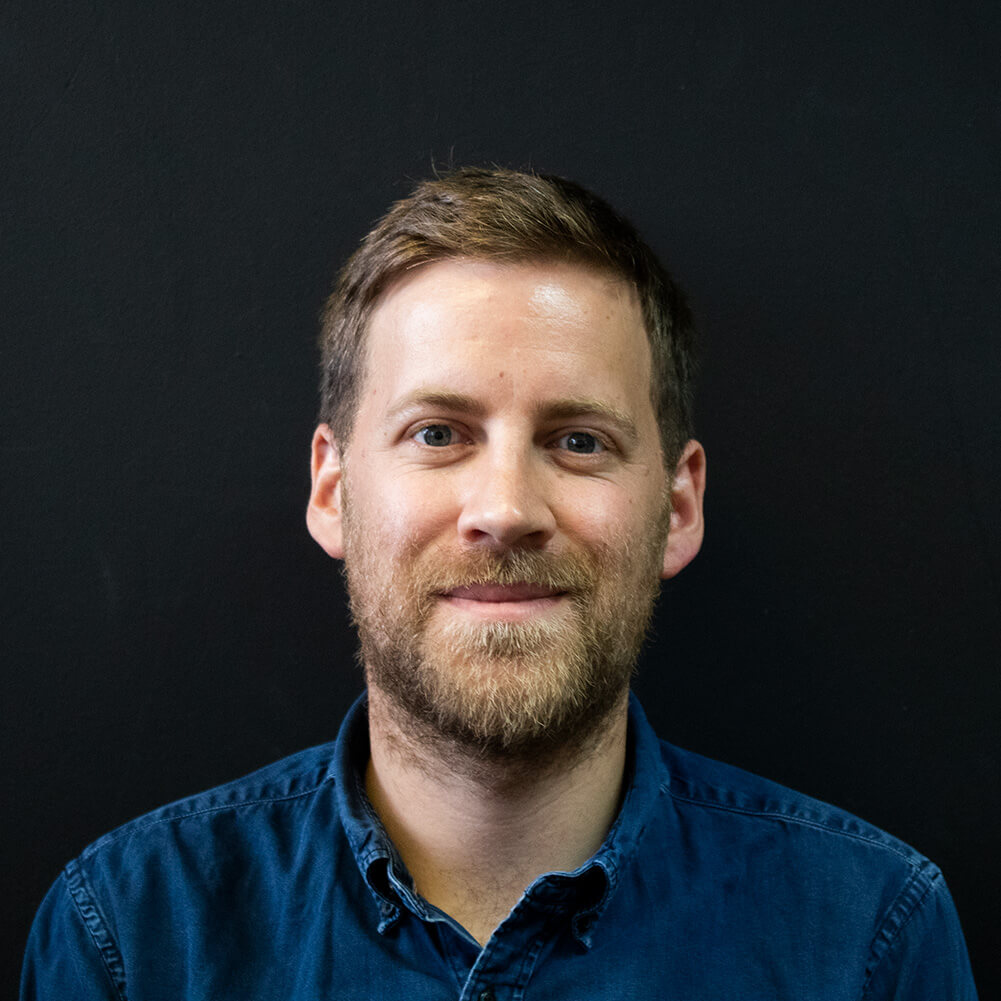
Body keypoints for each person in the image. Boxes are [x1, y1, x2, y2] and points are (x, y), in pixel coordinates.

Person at [21, 167, 977, 1000]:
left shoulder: (868, 940)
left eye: (577, 441)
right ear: (331, 489)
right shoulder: (132, 938)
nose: (506, 506)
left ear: (677, 508)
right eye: (438, 433)